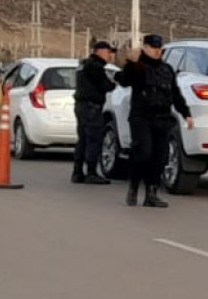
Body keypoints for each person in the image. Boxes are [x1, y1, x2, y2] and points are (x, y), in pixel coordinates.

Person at [115, 35, 192, 208]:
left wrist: (186, 113)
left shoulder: (167, 69)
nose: (157, 51)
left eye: (160, 48)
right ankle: (134, 187)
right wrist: (130, 63)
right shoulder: (138, 66)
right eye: (153, 47)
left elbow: (175, 94)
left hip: (163, 118)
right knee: (143, 154)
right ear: (145, 48)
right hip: (141, 117)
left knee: (160, 157)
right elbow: (123, 80)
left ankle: (151, 193)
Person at [73, 40, 118, 184]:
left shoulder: (84, 65)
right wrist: (113, 83)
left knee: (83, 140)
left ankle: (77, 172)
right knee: (94, 139)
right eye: (108, 52)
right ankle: (91, 173)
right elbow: (105, 85)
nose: (110, 55)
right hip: (91, 107)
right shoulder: (95, 66)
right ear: (98, 51)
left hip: (82, 106)